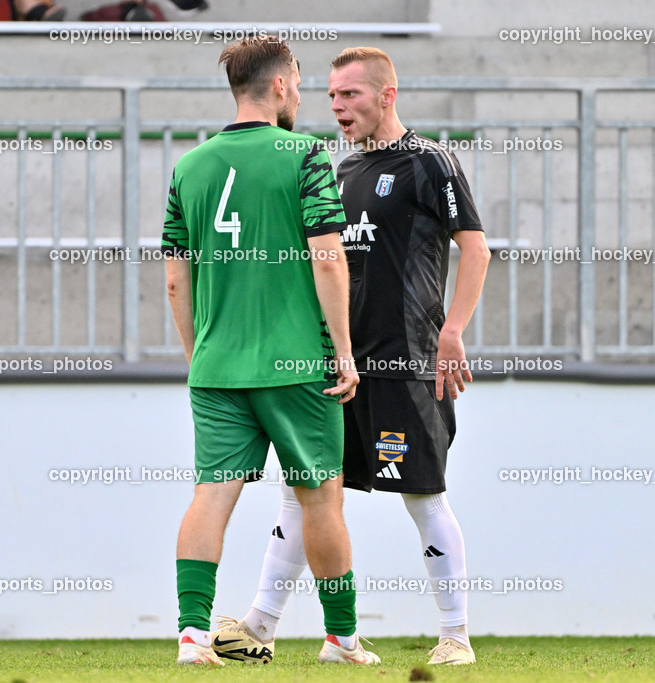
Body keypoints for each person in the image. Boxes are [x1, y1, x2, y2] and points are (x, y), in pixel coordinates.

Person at [211, 46, 491, 666]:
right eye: (332, 95)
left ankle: (455, 635)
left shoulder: (430, 164)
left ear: (386, 95)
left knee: (422, 496)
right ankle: (262, 624)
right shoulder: (340, 172)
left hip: (404, 360)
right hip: (339, 363)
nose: (337, 107)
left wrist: (453, 332)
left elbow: (475, 250)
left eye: (350, 96)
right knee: (303, 493)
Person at [163, 36, 379, 667]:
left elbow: (177, 277)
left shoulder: (189, 166)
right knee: (320, 496)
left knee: (211, 495)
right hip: (296, 364)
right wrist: (342, 349)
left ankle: (191, 636)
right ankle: (341, 639)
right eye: (303, 82)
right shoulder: (306, 155)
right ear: (282, 85)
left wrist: (196, 354)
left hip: (218, 363)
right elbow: (328, 258)